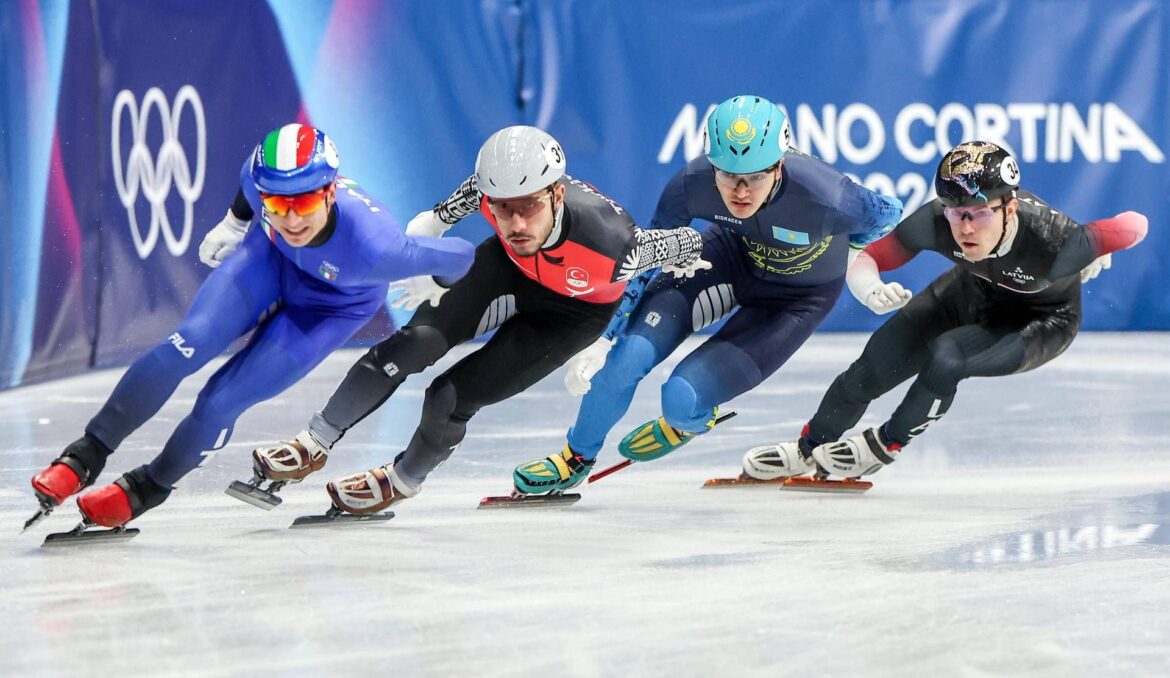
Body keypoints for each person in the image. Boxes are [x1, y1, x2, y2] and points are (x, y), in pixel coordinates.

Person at [26, 124, 475, 533]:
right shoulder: (263, 185)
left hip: (330, 308)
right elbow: (250, 174)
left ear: (330, 193)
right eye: (277, 205)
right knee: (185, 345)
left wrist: (435, 281)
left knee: (220, 402)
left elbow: (460, 255)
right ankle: (85, 455)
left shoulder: (377, 247)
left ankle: (148, 487)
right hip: (269, 261)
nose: (292, 220)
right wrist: (236, 221)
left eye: (304, 204)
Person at [250, 125, 708, 516]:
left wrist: (608, 338)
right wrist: (429, 232)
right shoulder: (488, 193)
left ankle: (404, 478)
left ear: (557, 194)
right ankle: (314, 442)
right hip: (509, 268)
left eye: (529, 206)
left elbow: (686, 241)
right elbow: (447, 211)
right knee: (414, 342)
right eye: (503, 207)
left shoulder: (616, 244)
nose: (516, 222)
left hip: (574, 312)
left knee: (448, 397)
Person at [510, 94, 905, 494]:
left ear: (779, 166)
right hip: (728, 259)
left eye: (755, 176)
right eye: (728, 175)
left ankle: (687, 422)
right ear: (712, 165)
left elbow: (890, 212)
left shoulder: (828, 195)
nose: (741, 191)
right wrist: (604, 337)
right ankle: (575, 458)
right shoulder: (691, 184)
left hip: (796, 301)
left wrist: (851, 251)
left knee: (681, 401)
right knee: (622, 360)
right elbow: (645, 259)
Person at [741, 140, 1149, 481]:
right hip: (970, 293)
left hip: (1041, 320)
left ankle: (885, 443)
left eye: (979, 213)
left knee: (948, 357)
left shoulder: (1054, 240)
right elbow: (870, 256)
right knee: (871, 366)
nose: (965, 228)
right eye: (956, 213)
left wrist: (1103, 240)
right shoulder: (936, 221)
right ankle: (808, 448)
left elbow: (1136, 225)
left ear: (1010, 209)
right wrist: (869, 288)